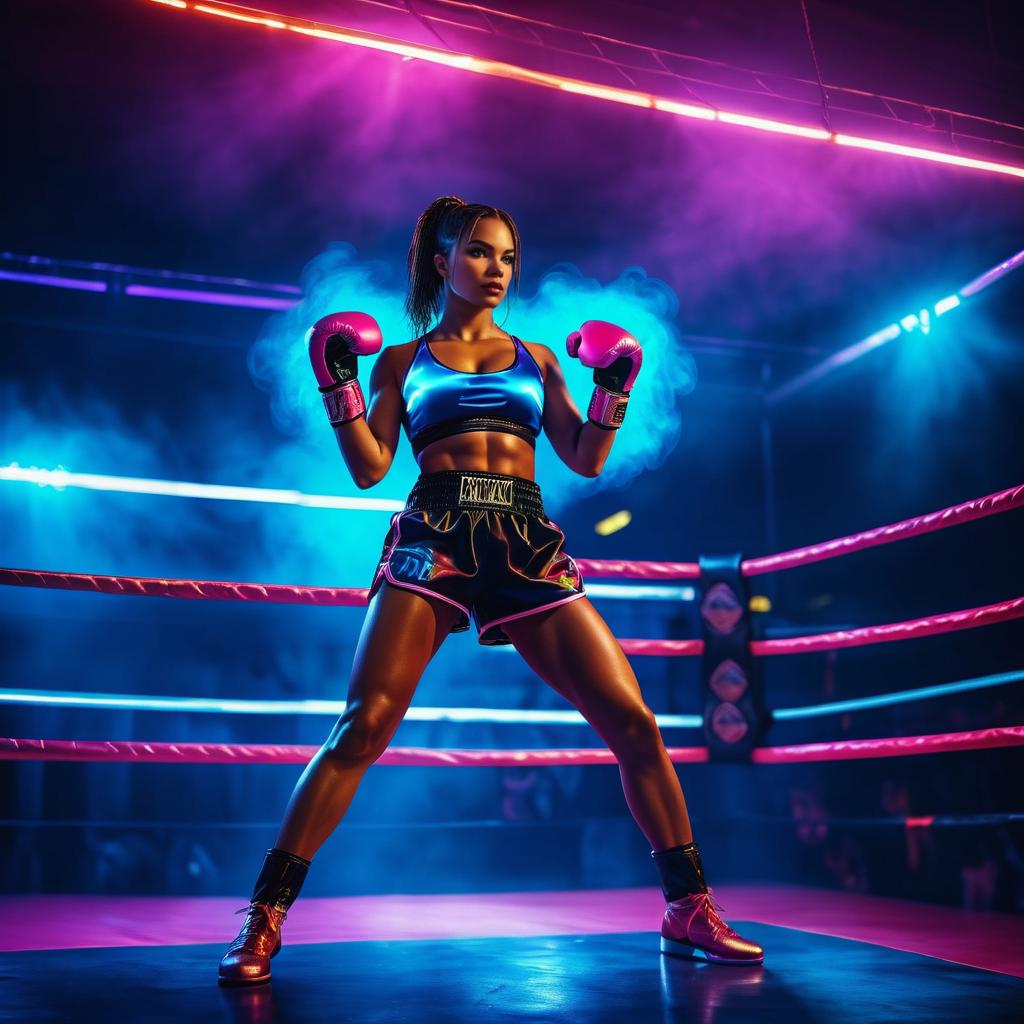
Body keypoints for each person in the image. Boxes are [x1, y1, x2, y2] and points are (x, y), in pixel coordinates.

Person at [218, 196, 764, 984]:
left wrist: (615, 383)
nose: (497, 269)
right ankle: (263, 917)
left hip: (525, 540)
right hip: (434, 535)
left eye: (507, 256)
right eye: (479, 253)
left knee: (633, 720)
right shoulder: (402, 360)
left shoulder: (539, 358)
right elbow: (371, 467)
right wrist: (335, 378)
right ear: (442, 263)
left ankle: (688, 905)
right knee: (363, 724)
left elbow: (584, 457)